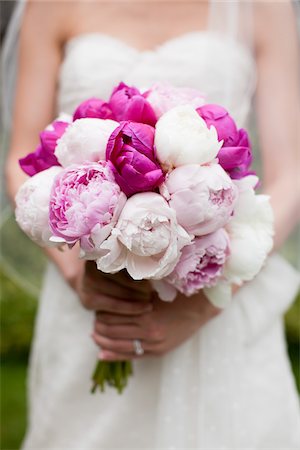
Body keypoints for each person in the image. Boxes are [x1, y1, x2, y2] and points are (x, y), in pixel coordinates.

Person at [3, 0, 300, 448]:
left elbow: (291, 171)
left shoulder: (264, 7)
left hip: (220, 302)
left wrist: (204, 303)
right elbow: (20, 157)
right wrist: (80, 281)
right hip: (93, 308)